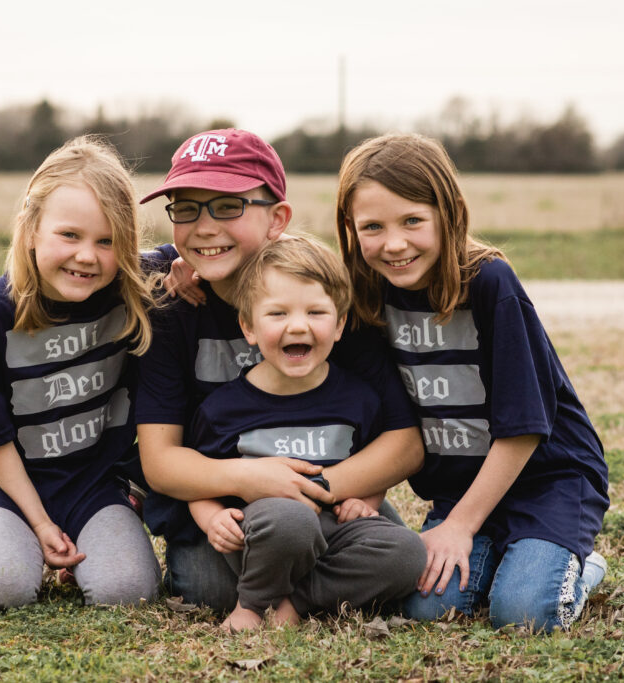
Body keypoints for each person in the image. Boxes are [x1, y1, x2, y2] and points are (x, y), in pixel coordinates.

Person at [135, 128, 424, 613]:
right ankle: (302, 592)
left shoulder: (321, 296)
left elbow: (403, 441)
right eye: (187, 207)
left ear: (278, 218)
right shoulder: (172, 304)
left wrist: (309, 489)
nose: (205, 226)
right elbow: (161, 462)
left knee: (401, 562)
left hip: (334, 494)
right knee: (210, 592)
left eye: (228, 206)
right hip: (229, 508)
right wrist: (251, 481)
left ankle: (283, 602)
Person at [334, 133, 610, 632]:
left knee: (525, 613)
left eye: (413, 220)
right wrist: (374, 493)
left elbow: (524, 428)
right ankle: (504, 552)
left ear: (451, 212)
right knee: (426, 609)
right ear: (350, 229)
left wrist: (460, 527)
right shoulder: (367, 296)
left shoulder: (489, 282)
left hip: (547, 481)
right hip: (458, 488)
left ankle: (578, 566)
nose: (393, 244)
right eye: (372, 226)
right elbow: (383, 414)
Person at [0, 136, 171, 613]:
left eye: (107, 241)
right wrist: (39, 523)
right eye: (69, 235)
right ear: (30, 230)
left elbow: (201, 256)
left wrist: (189, 274)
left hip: (95, 484)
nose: (87, 256)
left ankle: (103, 529)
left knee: (128, 592)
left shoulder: (134, 288)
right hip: (7, 484)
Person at [187, 236, 426, 631]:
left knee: (407, 551)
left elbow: (373, 462)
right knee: (292, 520)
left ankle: (294, 602)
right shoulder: (223, 408)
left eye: (316, 312)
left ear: (340, 324)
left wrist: (368, 499)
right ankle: (252, 605)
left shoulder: (357, 398)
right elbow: (200, 481)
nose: (298, 325)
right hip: (268, 536)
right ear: (248, 326)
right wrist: (212, 518)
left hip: (339, 533)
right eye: (277, 314)